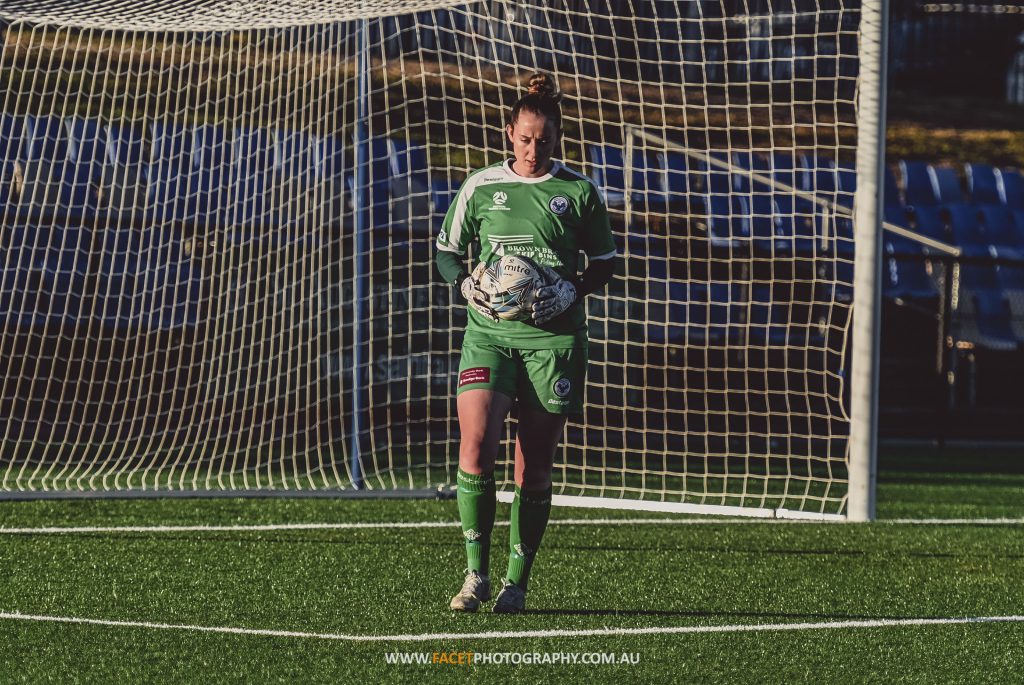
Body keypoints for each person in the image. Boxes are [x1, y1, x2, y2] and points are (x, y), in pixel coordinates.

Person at [434, 72, 617, 613]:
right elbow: (447, 250)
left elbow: (604, 263)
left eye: (544, 140)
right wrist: (464, 281)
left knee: (532, 464)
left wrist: (572, 289)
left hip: (554, 343)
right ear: (508, 132)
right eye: (525, 138)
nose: (534, 150)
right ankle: (475, 577)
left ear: (557, 138)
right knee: (476, 446)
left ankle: (517, 582)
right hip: (488, 335)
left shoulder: (578, 192)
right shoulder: (481, 186)